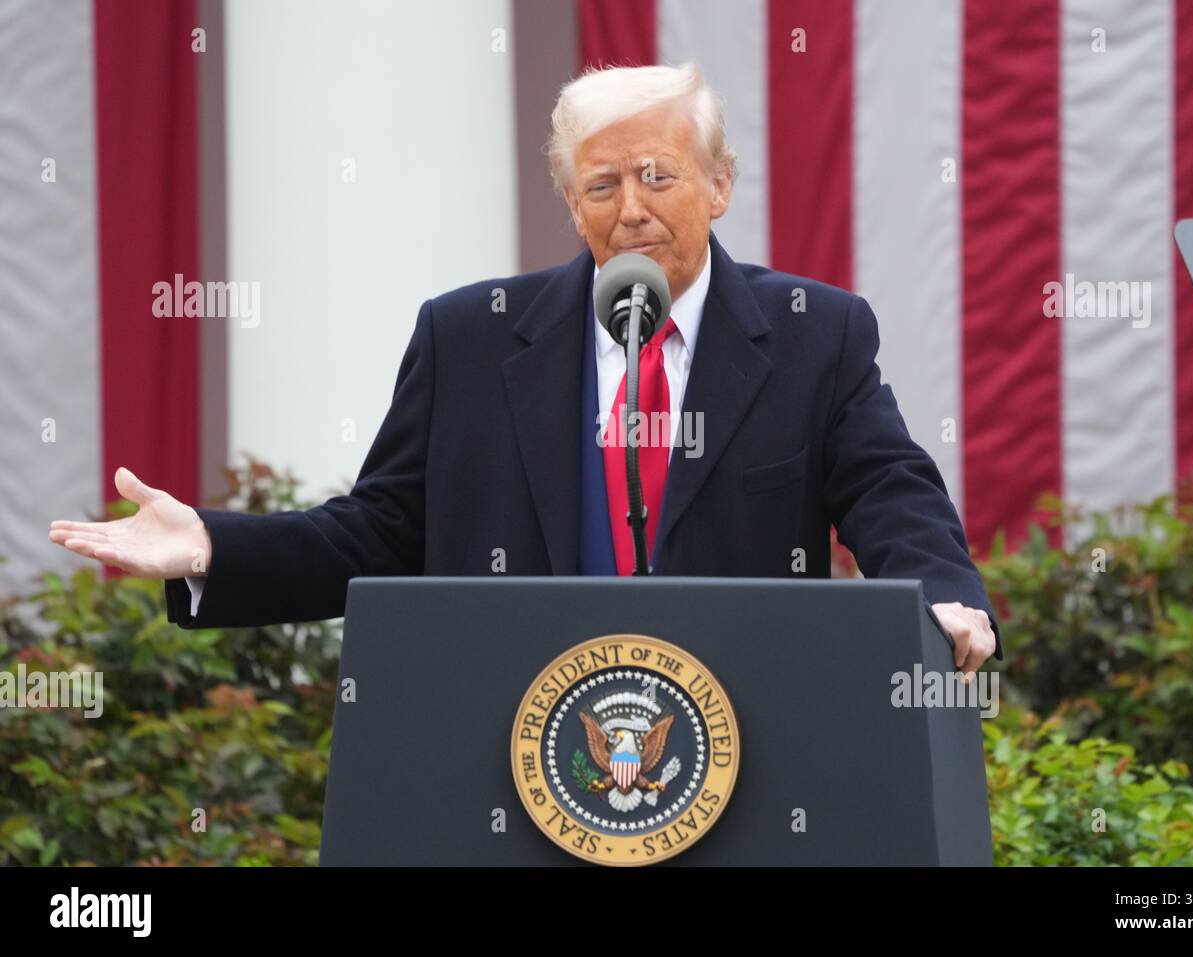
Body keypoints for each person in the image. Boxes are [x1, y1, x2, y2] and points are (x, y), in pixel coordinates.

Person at [50, 63, 1000, 676]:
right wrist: (213, 546)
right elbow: (380, 533)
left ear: (718, 186)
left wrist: (941, 597)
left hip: (746, 745)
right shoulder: (469, 338)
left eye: (658, 176)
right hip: (514, 752)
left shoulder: (813, 334)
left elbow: (889, 491)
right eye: (601, 184)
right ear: (572, 202)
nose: (631, 208)